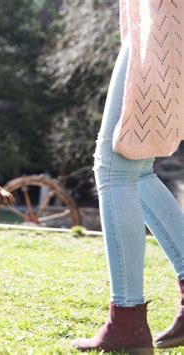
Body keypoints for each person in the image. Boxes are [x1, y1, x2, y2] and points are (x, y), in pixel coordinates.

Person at [71, 0, 184, 352]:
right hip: (157, 25)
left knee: (115, 168)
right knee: (135, 171)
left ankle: (128, 321)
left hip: (164, 26)